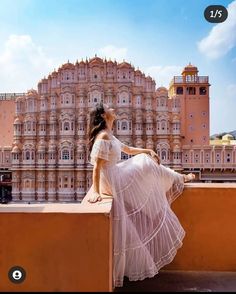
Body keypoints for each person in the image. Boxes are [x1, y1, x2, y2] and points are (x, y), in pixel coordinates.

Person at [83, 102, 195, 288]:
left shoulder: (109, 134)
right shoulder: (103, 136)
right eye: (109, 109)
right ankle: (180, 178)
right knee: (145, 164)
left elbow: (127, 149)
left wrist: (147, 150)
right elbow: (97, 167)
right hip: (112, 179)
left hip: (115, 174)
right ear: (103, 116)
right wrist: (95, 191)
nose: (113, 109)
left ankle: (178, 177)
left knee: (144, 159)